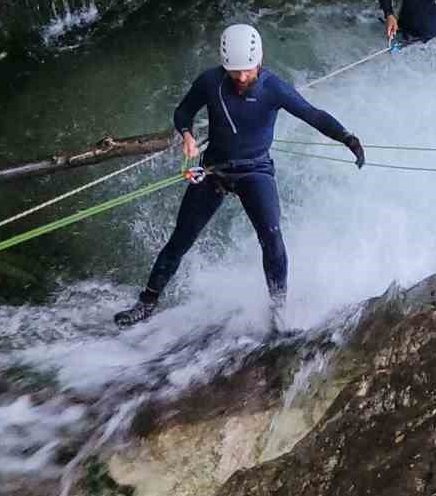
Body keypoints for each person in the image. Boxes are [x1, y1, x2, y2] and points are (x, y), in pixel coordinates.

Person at [114, 24, 366, 329]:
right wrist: (187, 135)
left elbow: (312, 115)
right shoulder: (210, 81)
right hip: (213, 170)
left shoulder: (274, 88)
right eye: (235, 72)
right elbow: (183, 112)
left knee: (272, 238)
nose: (242, 78)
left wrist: (347, 138)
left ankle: (278, 312)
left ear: (258, 61)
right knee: (181, 238)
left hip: (255, 171)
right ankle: (147, 301)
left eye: (247, 70)